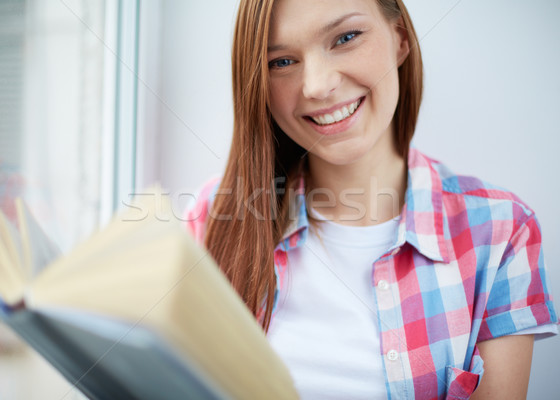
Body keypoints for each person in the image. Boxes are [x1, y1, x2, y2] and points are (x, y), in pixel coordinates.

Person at [185, 0, 558, 398]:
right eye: (281, 62)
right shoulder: (214, 217)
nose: (317, 85)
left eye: (345, 38)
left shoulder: (501, 231)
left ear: (400, 40)